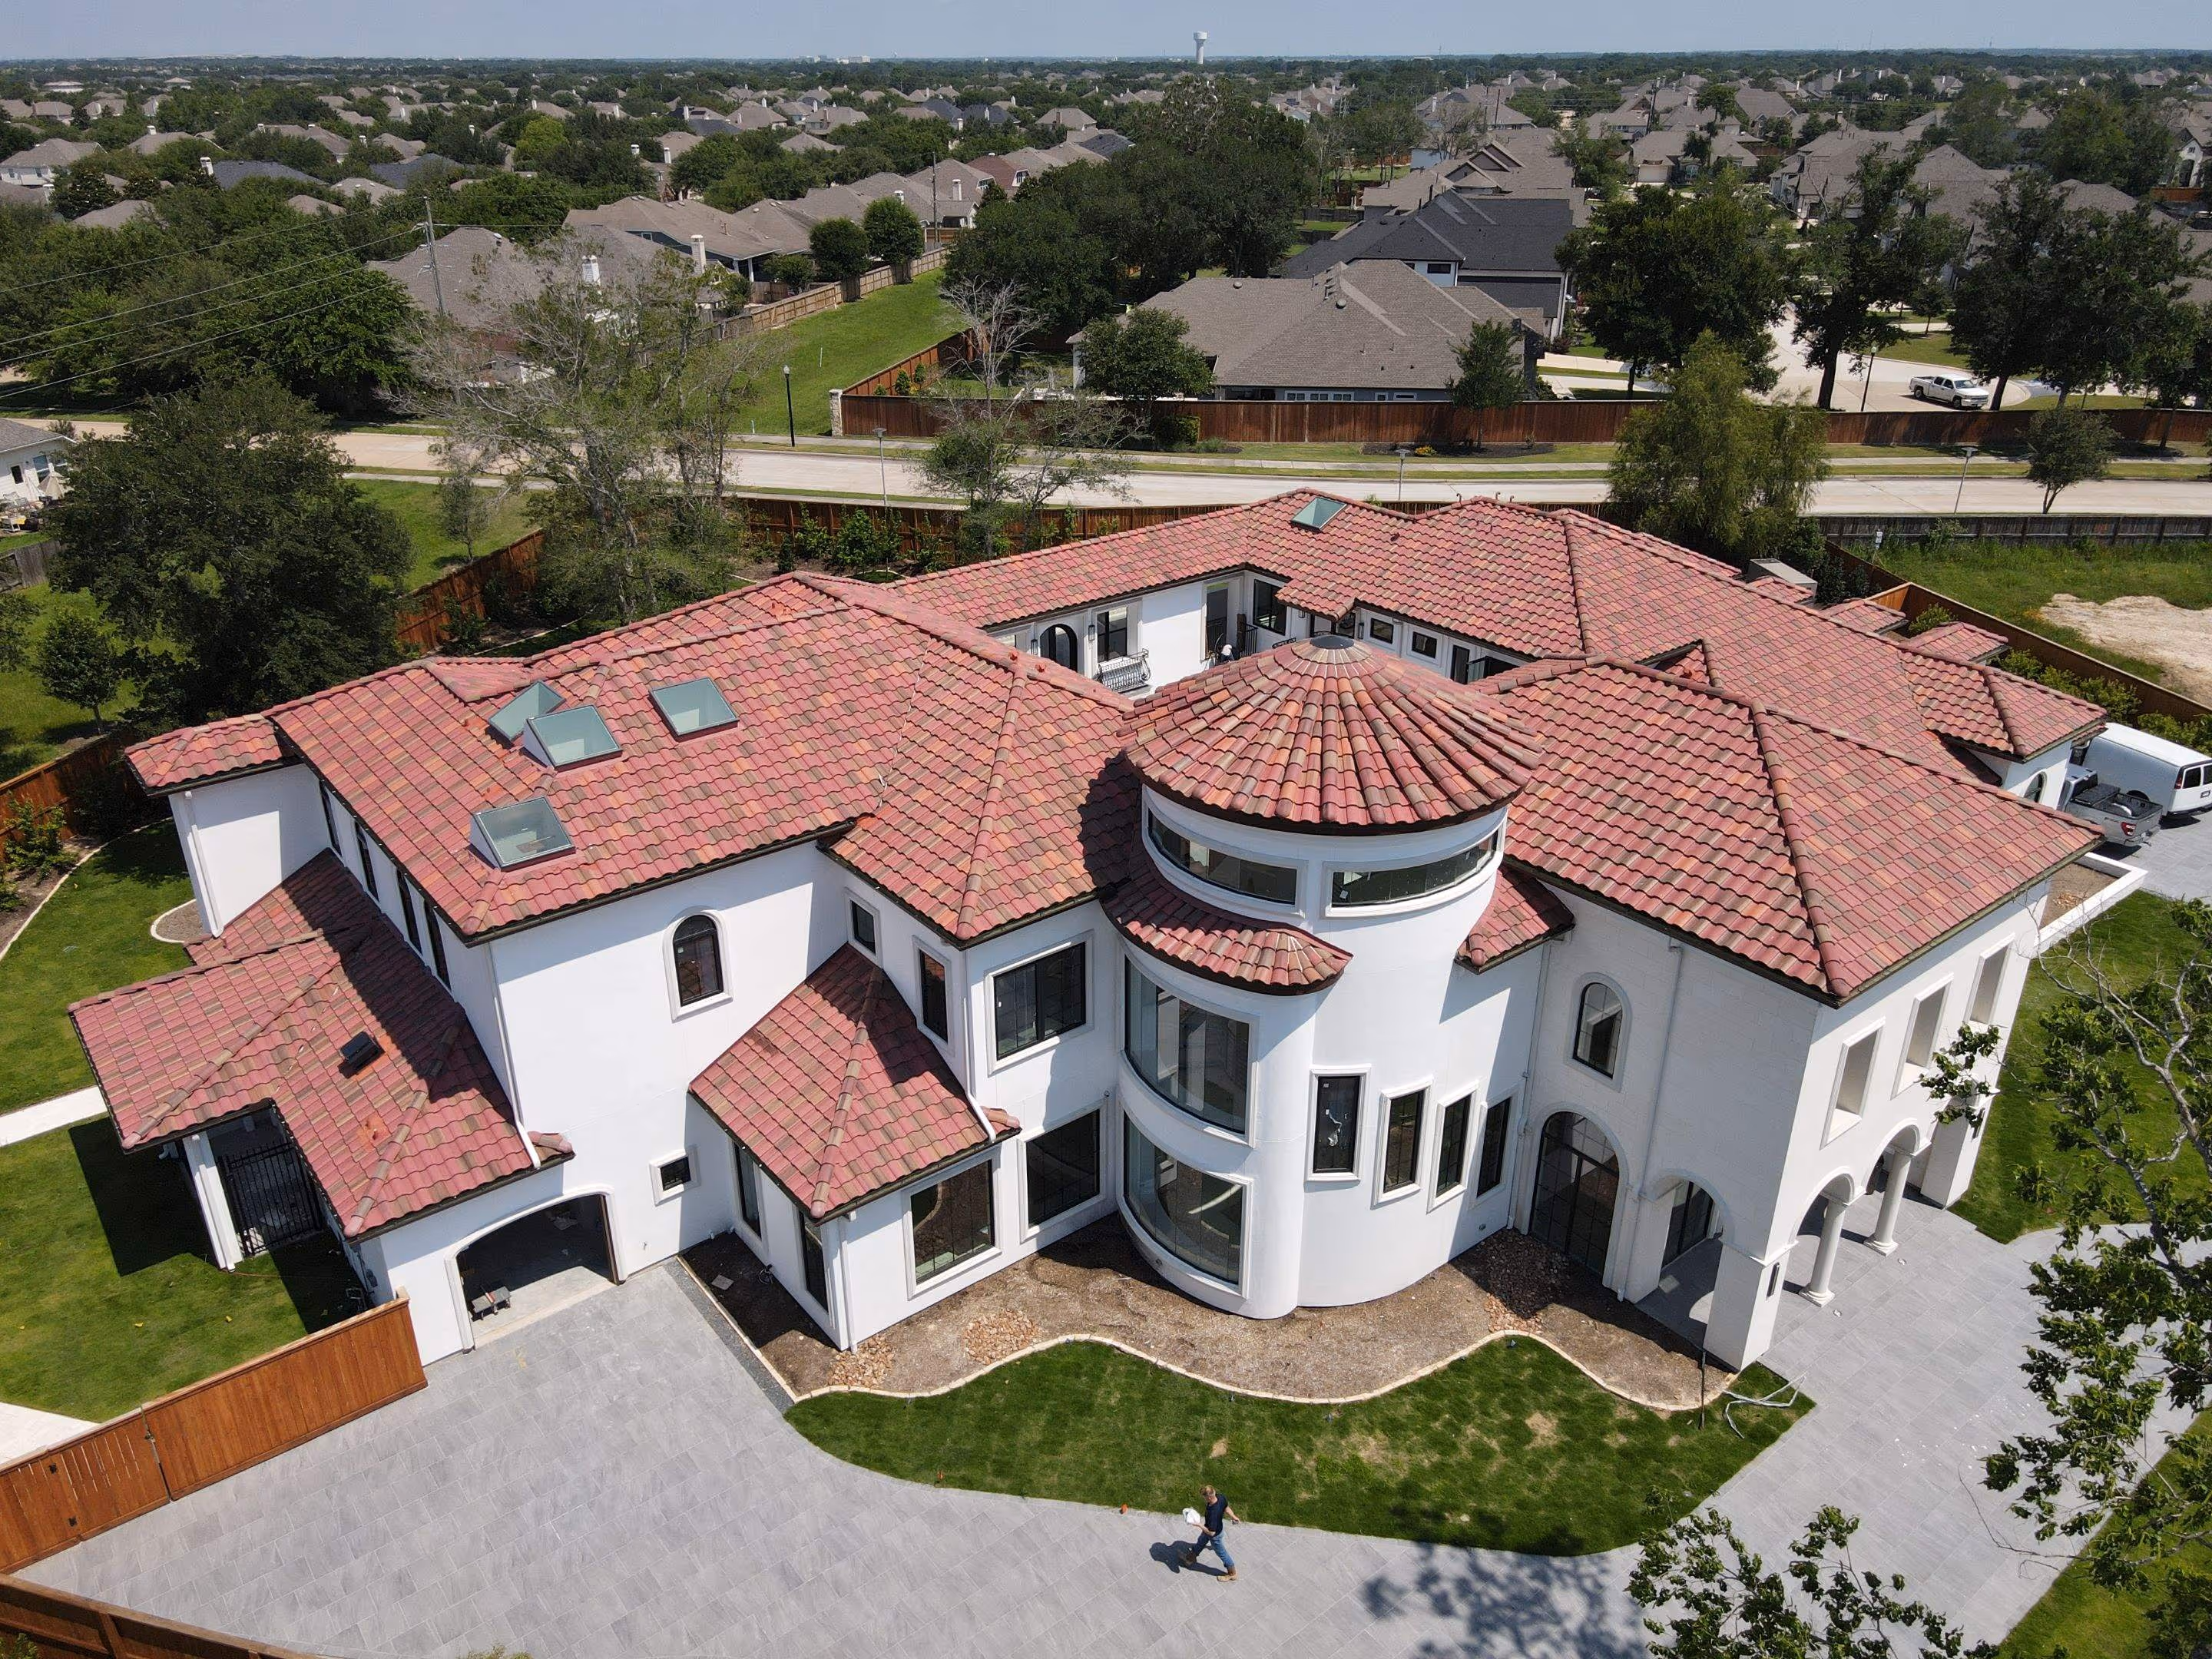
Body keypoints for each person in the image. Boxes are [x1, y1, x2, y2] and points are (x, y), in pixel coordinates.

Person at [1184, 1483, 1237, 1581]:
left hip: (1214, 1535)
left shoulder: (1214, 1513)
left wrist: (1199, 1525)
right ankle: (1191, 1558)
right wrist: (1233, 1516)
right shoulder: (1220, 1497)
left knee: (1222, 1553)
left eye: (1204, 1497)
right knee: (1201, 1541)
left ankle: (1232, 1573)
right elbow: (1226, 1508)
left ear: (1209, 1497)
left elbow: (1211, 1533)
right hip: (1212, 1528)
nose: (1204, 1499)